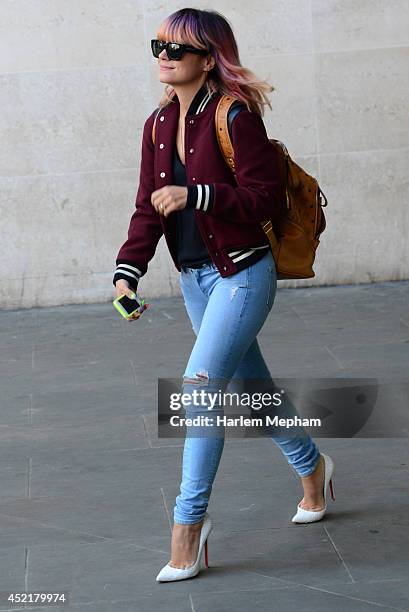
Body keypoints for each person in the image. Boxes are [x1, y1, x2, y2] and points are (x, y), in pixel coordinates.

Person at [113, 8, 335, 583]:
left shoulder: (235, 116)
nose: (164, 55)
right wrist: (127, 271)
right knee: (251, 390)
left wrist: (197, 195)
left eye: (177, 48)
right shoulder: (157, 126)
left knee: (201, 390)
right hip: (194, 277)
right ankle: (313, 468)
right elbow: (148, 205)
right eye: (157, 45)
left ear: (208, 58)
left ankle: (188, 527)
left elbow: (261, 199)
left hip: (241, 274)